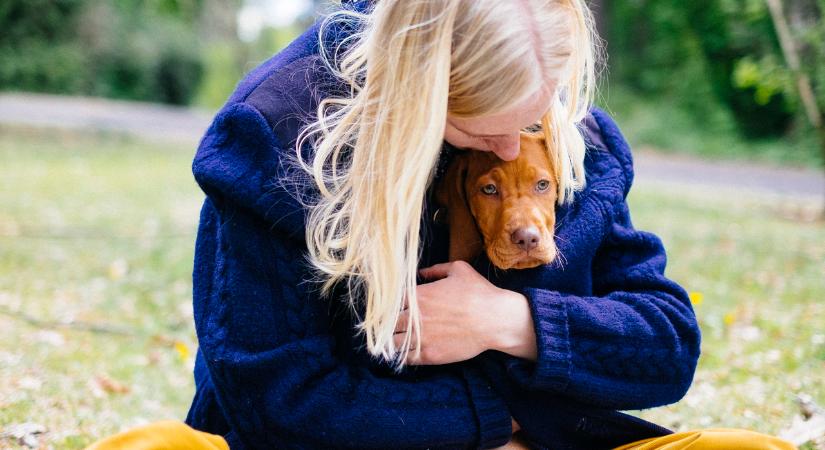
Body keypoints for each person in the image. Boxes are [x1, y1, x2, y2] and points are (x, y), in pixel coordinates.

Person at [87, 0, 797, 449]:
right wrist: (501, 419)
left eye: (535, 113)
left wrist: (510, 322)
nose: (520, 147)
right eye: (490, 124)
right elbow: (275, 403)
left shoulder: (564, 133)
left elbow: (666, 345)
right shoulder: (277, 135)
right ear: (424, 87)